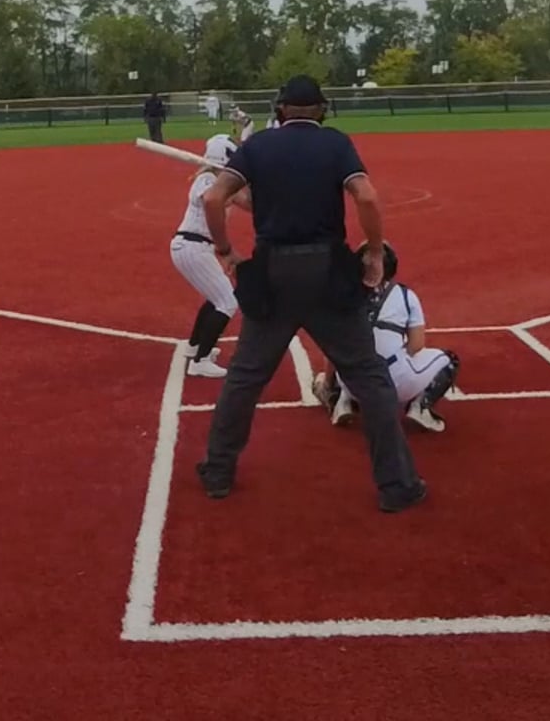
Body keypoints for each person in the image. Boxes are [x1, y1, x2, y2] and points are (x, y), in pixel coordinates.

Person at [195, 74, 425, 513]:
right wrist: (376, 252)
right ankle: (397, 484)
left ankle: (218, 471)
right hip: (328, 272)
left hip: (273, 272)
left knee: (245, 378)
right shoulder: (335, 143)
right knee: (369, 377)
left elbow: (213, 200)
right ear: (321, 109)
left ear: (280, 109)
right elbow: (366, 197)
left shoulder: (259, 146)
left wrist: (225, 251)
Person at [313, 244, 459, 433]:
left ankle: (341, 400)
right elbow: (416, 345)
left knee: (346, 350)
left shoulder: (345, 295)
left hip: (353, 384)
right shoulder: (405, 296)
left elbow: (333, 348)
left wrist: (327, 384)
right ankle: (420, 407)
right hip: (393, 385)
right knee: (449, 360)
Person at [170, 133, 251, 379]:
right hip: (191, 246)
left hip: (197, 247)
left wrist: (252, 181)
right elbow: (210, 200)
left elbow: (249, 204)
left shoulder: (218, 181)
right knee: (227, 301)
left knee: (215, 296)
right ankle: (201, 361)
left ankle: (195, 346)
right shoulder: (206, 179)